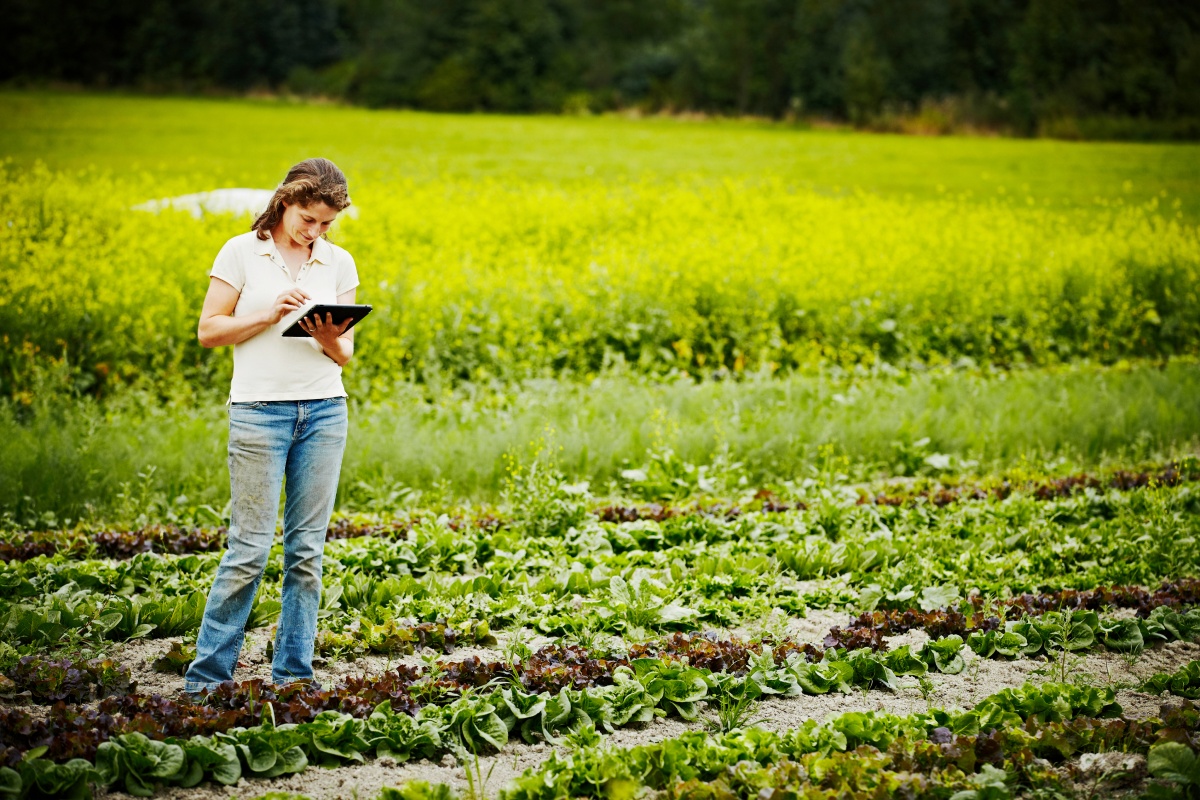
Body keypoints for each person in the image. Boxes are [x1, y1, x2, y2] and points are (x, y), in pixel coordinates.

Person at [184, 157, 358, 695]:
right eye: (309, 219)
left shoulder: (337, 261)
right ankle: (207, 680)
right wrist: (268, 315)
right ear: (286, 202)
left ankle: (293, 677)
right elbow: (209, 331)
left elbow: (344, 354)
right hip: (259, 412)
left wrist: (326, 334)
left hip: (324, 411)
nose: (316, 232)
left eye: (327, 224)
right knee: (249, 550)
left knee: (307, 554)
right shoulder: (241, 251)